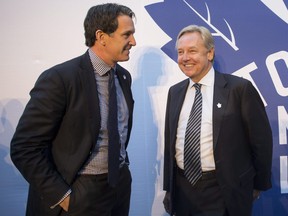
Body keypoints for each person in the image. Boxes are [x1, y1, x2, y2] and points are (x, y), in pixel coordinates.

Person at [10, 3, 136, 216]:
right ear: (101, 36)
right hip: (79, 190)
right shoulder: (60, 79)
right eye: (127, 35)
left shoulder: (123, 77)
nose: (133, 41)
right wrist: (63, 197)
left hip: (118, 188)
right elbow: (24, 147)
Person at [162, 25, 272, 216]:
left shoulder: (239, 89)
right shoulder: (175, 91)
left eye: (192, 51)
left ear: (210, 53)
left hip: (223, 191)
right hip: (182, 190)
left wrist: (256, 186)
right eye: (180, 52)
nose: (185, 57)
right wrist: (169, 187)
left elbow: (261, 141)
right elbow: (170, 144)